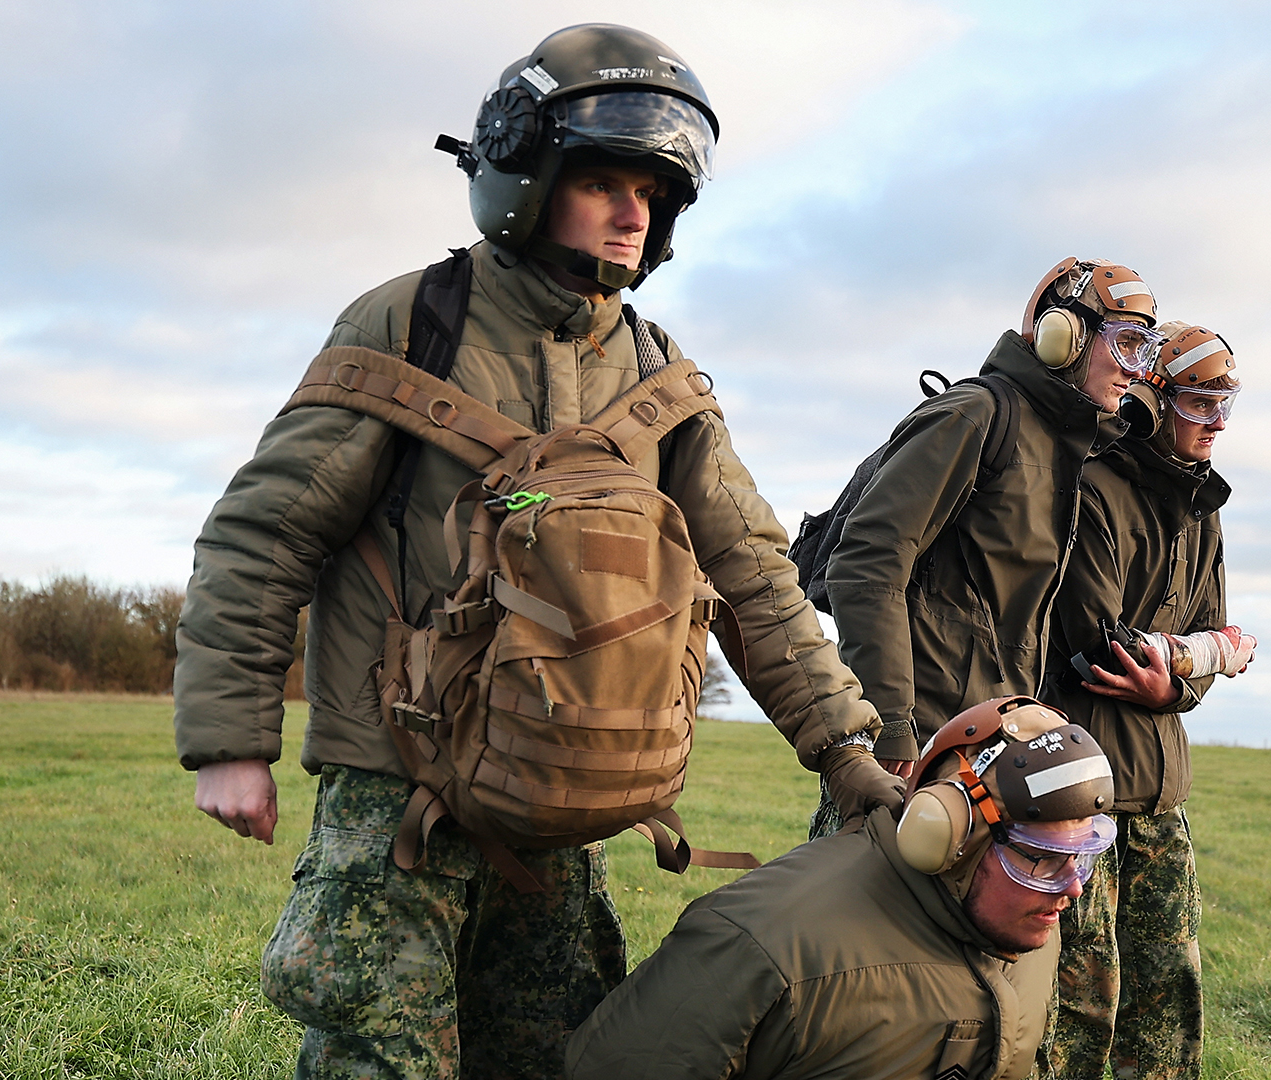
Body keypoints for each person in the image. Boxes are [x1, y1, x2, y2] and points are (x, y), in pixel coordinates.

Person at [172, 23, 903, 1079]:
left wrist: (847, 749)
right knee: (382, 1058)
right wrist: (230, 741)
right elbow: (266, 531)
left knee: (555, 1057)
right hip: (396, 791)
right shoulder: (411, 324)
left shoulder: (659, 375)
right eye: (602, 180)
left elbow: (751, 569)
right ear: (522, 174)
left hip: (562, 800)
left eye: (652, 191)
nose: (631, 211)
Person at [565, 696, 1120, 1080]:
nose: (1071, 890)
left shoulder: (1025, 927)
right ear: (950, 833)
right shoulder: (760, 944)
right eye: (1043, 861)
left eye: (1083, 857)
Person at [817, 259, 1150, 829]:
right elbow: (869, 561)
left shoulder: (1066, 449)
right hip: (918, 749)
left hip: (990, 751)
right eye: (1124, 345)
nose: (1133, 370)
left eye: (1144, 353)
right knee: (864, 908)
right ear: (1063, 336)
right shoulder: (975, 416)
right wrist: (891, 723)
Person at [1039, 323, 1254, 1080]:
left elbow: (1201, 646)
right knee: (1079, 1007)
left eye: (1226, 402)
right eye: (1200, 401)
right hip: (1083, 793)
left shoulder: (1207, 509)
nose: (1218, 421)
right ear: (1156, 399)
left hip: (1165, 796)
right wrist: (1203, 657)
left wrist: (1183, 674)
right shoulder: (1092, 486)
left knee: (1170, 1001)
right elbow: (1098, 645)